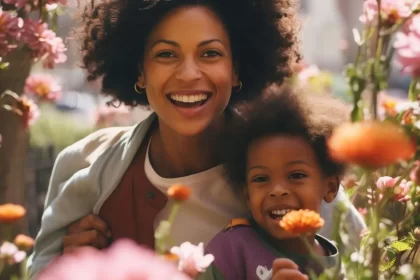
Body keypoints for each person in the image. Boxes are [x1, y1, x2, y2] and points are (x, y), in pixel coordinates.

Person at [28, 0, 365, 278]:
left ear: (237, 69)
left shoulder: (294, 170)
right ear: (140, 71)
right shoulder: (85, 165)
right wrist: (71, 269)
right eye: (166, 54)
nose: (189, 73)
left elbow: (366, 264)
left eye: (210, 54)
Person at [200, 87, 347, 279]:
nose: (277, 191)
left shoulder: (336, 265)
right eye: (261, 179)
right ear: (247, 194)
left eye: (296, 175)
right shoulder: (231, 249)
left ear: (330, 187)